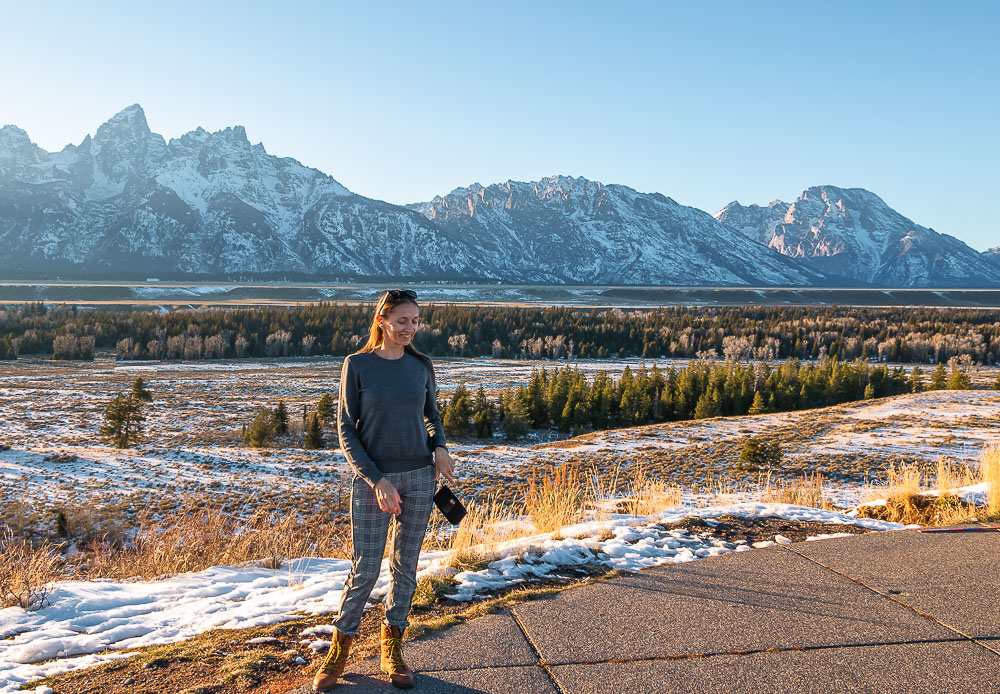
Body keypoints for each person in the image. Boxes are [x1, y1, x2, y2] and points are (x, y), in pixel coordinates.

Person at [313, 289, 456, 691]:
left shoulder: (420, 365)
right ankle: (339, 649)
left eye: (415, 321)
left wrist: (440, 447)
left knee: (405, 567)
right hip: (374, 481)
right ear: (382, 322)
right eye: (402, 321)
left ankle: (392, 645)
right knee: (365, 569)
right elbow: (346, 431)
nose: (410, 328)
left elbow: (433, 418)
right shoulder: (357, 366)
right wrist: (377, 480)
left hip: (418, 477)